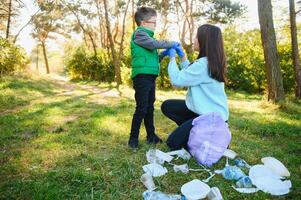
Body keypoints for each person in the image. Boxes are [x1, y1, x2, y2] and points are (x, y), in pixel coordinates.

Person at [161, 24, 229, 150]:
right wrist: (182, 57)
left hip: (211, 120)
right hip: (205, 114)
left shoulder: (203, 65)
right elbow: (191, 74)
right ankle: (195, 133)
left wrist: (171, 58)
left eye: (197, 37)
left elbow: (177, 81)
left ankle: (208, 137)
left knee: (173, 143)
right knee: (168, 106)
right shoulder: (209, 62)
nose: (194, 40)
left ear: (205, 41)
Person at [128, 7, 179, 150]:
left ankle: (151, 136)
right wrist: (170, 43)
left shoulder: (148, 38)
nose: (155, 25)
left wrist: (164, 54)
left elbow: (154, 58)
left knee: (149, 107)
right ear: (143, 23)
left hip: (150, 77)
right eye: (154, 22)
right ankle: (133, 138)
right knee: (142, 108)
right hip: (142, 77)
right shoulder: (139, 34)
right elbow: (154, 44)